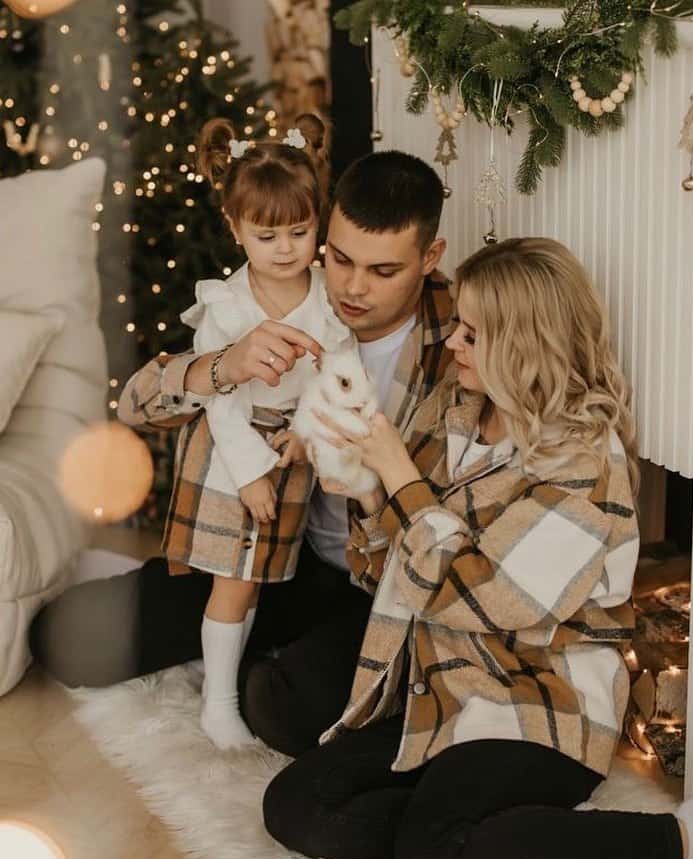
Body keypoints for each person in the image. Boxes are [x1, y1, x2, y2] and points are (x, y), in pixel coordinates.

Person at [262, 238, 693, 859]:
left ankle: (684, 837)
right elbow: (387, 574)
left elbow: (491, 600)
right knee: (295, 805)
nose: (453, 342)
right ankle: (509, 831)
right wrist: (367, 490)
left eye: (473, 333)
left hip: (540, 699)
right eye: (458, 324)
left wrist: (398, 472)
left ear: (523, 345)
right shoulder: (453, 408)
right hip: (442, 679)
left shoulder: (583, 459)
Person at [29, 149, 453, 758]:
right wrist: (222, 367)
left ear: (429, 258)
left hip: (376, 582)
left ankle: (269, 654)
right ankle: (249, 632)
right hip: (274, 547)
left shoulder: (457, 345)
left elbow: (443, 522)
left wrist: (351, 464)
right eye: (338, 258)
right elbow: (135, 406)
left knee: (279, 709)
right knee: (64, 637)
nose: (353, 288)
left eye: (383, 271)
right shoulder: (278, 295)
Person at [163, 114, 351, 750]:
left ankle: (226, 679)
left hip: (291, 449)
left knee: (259, 579)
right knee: (234, 580)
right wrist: (248, 475)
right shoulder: (227, 305)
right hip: (235, 452)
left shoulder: (325, 298)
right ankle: (218, 703)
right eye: (267, 234)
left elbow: (339, 369)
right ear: (234, 227)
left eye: (300, 232)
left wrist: (309, 431)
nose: (286, 248)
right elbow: (218, 400)